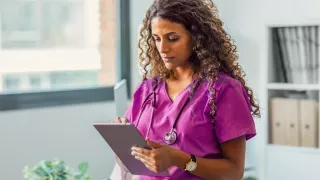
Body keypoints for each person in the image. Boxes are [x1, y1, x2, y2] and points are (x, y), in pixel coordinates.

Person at [113, 0, 260, 179]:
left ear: (196, 37)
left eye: (173, 38)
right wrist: (120, 141)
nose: (162, 48)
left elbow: (234, 173)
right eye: (157, 39)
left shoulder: (223, 90)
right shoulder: (148, 89)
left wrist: (178, 159)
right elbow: (130, 162)